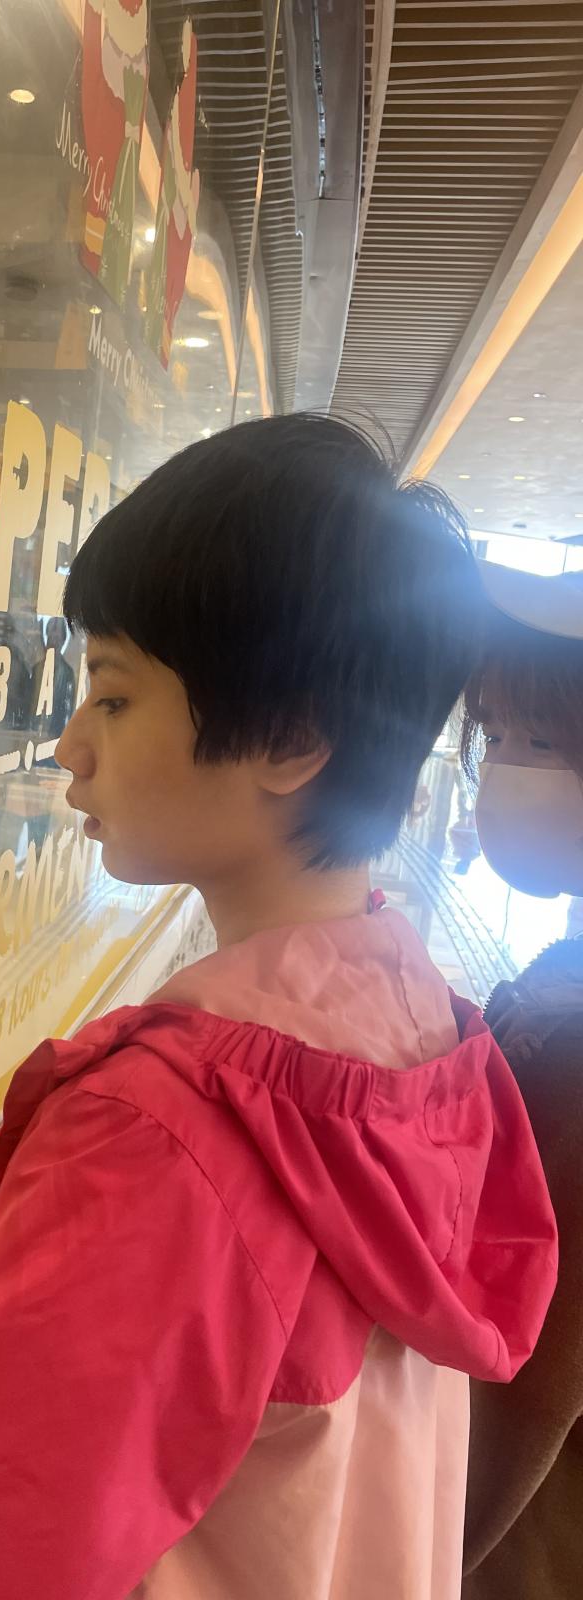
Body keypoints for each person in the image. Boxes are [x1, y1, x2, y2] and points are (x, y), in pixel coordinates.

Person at [0, 416, 557, 1600]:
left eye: (112, 695)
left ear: (291, 737)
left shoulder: (160, 1139)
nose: (70, 745)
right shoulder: (426, 1043)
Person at [459, 563, 583, 1599]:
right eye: (494, 733)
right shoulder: (564, 968)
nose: (501, 771)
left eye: (538, 740)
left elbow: (530, 1384)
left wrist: (411, 1562)